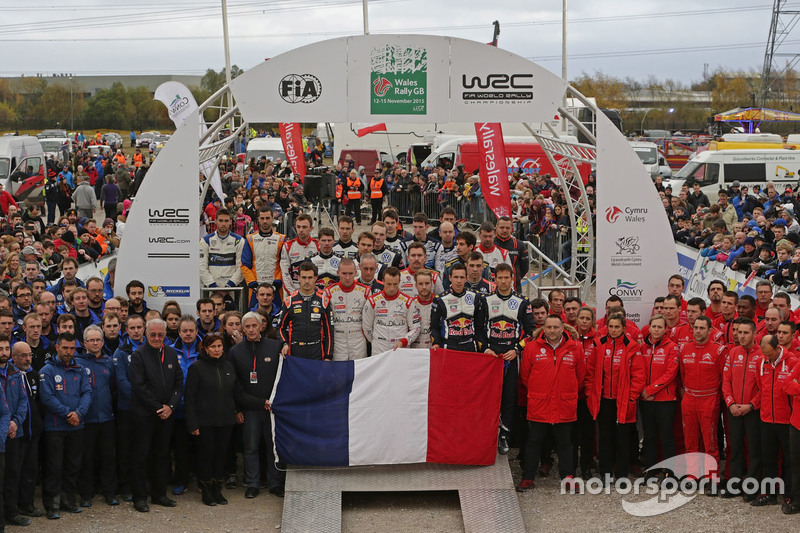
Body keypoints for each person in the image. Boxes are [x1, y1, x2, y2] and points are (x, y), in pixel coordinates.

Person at [516, 315, 584, 493]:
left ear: (563, 328)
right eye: (549, 327)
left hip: (564, 404)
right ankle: (528, 477)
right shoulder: (531, 347)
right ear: (543, 329)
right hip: (539, 404)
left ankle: (568, 477)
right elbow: (525, 376)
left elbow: (580, 377)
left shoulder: (575, 348)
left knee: (565, 443)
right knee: (534, 442)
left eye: (556, 327)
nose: (552, 331)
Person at [128, 319, 183, 513]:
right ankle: (140, 497)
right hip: (144, 415)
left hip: (166, 415)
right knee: (141, 456)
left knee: (162, 455)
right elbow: (138, 386)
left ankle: (159, 494)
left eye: (161, 335)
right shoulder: (138, 355)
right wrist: (158, 408)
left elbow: (178, 384)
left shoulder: (171, 353)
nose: (157, 338)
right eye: (153, 334)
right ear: (146, 333)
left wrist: (170, 406)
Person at [229, 313, 285, 499]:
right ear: (243, 329)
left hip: (273, 409)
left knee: (273, 446)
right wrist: (237, 409)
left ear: (261, 326)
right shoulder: (235, 352)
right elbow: (234, 384)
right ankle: (252, 483)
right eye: (247, 326)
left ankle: (275, 483)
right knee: (251, 447)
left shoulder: (275, 346)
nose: (251, 330)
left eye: (255, 326)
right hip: (249, 408)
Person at [586, 313, 645, 481]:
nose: (613, 330)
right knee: (604, 437)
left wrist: (631, 397)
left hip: (623, 401)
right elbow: (590, 372)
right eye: (610, 326)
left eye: (617, 327)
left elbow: (638, 376)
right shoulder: (598, 344)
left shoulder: (632, 347)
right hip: (603, 400)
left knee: (622, 438)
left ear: (624, 328)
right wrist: (591, 393)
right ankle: (605, 473)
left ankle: (621, 475)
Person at [483, 263, 534, 455]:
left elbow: (530, 333)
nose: (503, 281)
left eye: (507, 278)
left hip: (510, 357)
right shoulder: (485, 300)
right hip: (489, 359)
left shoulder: (522, 302)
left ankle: (504, 434)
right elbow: (479, 329)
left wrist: (517, 349)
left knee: (509, 398)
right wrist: (486, 348)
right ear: (494, 278)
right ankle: (487, 433)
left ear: (513, 279)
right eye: (500, 278)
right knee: (488, 397)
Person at [39, 333, 91, 519]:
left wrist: (79, 414)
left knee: (73, 465)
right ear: (57, 348)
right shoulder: (47, 370)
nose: (69, 352)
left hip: (77, 426)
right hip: (55, 428)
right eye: (65, 348)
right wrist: (67, 414)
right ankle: (52, 505)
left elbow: (87, 393)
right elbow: (47, 398)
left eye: (72, 348)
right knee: (54, 467)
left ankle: (68, 501)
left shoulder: (81, 369)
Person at [184, 334, 238, 506]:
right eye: (213, 346)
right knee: (206, 456)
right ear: (206, 348)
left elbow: (235, 393)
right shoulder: (197, 368)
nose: (217, 350)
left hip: (225, 421)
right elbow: (190, 398)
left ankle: (217, 488)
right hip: (205, 421)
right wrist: (192, 423)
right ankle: (206, 489)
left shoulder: (228, 366)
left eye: (219, 346)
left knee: (221, 456)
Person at [678, 316, 727, 479]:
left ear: (709, 330)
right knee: (690, 439)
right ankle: (692, 474)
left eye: (702, 328)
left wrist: (716, 399)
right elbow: (683, 375)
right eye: (695, 328)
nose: (698, 331)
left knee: (710, 440)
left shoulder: (718, 350)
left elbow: (723, 378)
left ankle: (712, 476)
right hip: (690, 398)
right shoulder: (685, 349)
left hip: (709, 398)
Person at [76, 326, 117, 507]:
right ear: (85, 343)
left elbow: (114, 386)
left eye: (98, 340)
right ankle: (86, 493)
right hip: (87, 419)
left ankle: (109, 492)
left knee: (108, 457)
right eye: (91, 340)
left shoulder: (108, 362)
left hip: (107, 418)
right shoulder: (77, 363)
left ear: (102, 341)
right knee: (87, 458)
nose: (95, 343)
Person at [753, 334, 796, 509]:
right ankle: (769, 493)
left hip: (787, 420)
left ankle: (789, 495)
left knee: (789, 459)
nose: (767, 358)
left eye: (770, 354)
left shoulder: (792, 362)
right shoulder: (760, 362)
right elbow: (761, 387)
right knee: (768, 457)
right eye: (764, 354)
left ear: (778, 347)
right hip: (766, 418)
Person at [721, 318, 762, 500]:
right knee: (735, 447)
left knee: (754, 449)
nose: (741, 336)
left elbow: (765, 387)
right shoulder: (733, 352)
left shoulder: (762, 354)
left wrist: (751, 405)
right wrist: (730, 403)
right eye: (739, 332)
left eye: (746, 332)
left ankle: (752, 487)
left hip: (753, 411)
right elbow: (726, 380)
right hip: (734, 410)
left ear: (754, 334)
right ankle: (734, 484)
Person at [639, 314, 679, 473]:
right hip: (646, 400)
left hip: (665, 400)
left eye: (659, 327)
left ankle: (670, 472)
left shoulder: (672, 347)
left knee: (666, 437)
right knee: (649, 437)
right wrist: (643, 391)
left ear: (665, 329)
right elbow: (638, 371)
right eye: (654, 326)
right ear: (649, 328)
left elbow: (670, 374)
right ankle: (651, 470)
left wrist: (649, 390)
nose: (656, 330)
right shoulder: (642, 347)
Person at [10, 342, 43, 519]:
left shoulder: (35, 375)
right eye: (23, 355)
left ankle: (27, 504)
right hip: (16, 434)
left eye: (29, 354)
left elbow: (38, 403)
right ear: (13, 356)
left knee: (31, 470)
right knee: (15, 472)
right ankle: (12, 508)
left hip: (33, 433)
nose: (27, 359)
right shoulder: (10, 376)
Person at [0, 334, 28, 527]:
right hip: (0, 434)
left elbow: (22, 401)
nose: (3, 353)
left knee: (12, 474)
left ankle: (11, 512)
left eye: (6, 349)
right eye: (0, 349)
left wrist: (15, 422)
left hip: (13, 432)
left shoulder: (15, 372)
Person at [278, 261, 332, 360]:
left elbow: (329, 332)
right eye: (303, 277)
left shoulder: (323, 301)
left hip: (316, 352)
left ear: (315, 278)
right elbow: (280, 327)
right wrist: (284, 343)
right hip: (295, 352)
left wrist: (328, 356)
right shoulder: (289, 301)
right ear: (298, 278)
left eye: (310, 278)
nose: (307, 281)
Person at [362, 266, 420, 356]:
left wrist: (404, 342)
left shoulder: (408, 302)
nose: (392, 288)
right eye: (389, 284)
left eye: (395, 284)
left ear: (399, 282)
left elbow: (416, 328)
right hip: (379, 346)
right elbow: (366, 327)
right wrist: (376, 340)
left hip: (400, 347)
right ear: (383, 281)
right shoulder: (372, 301)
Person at [430, 263, 487, 352]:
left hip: (470, 346)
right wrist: (436, 343)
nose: (459, 281)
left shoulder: (476, 296)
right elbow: (434, 326)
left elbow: (479, 326)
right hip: (449, 346)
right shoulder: (440, 299)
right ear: (450, 278)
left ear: (466, 278)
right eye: (456, 277)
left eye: (462, 277)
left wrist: (484, 348)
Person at [324, 258, 369, 361]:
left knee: (359, 373)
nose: (347, 277)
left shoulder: (365, 292)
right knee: (338, 374)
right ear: (338, 273)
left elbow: (369, 320)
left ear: (355, 273)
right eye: (344, 273)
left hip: (358, 341)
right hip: (338, 341)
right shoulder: (329, 292)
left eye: (350, 273)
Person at [241, 207, 285, 308]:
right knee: (255, 318)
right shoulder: (250, 239)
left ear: (272, 218)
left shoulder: (281, 239)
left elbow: (284, 264)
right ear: (258, 219)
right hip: (256, 288)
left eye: (267, 218)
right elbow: (244, 265)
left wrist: (277, 283)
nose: (265, 221)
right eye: (262, 218)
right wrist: (253, 284)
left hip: (276, 288)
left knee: (276, 317)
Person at [199, 208, 245, 290]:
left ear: (230, 221)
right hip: (211, 289)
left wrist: (229, 286)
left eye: (226, 221)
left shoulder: (239, 241)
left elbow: (241, 267)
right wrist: (213, 286)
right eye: (220, 220)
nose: (223, 224)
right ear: (215, 221)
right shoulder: (206, 241)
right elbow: (202, 267)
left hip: (232, 288)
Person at [279, 214, 319, 295]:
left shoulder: (318, 245)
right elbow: (285, 273)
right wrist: (293, 293)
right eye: (298, 227)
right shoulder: (288, 246)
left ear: (311, 228)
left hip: (313, 292)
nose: (301, 230)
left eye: (304, 227)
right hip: (293, 291)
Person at [495, 216, 529, 292]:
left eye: (507, 228)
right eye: (502, 227)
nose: (504, 230)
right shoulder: (491, 244)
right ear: (496, 227)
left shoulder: (519, 245)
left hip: (515, 288)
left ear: (511, 228)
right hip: (494, 288)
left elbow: (525, 267)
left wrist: (515, 277)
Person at [409, 270, 434, 349]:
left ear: (431, 284)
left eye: (427, 283)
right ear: (416, 285)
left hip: (435, 349)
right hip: (415, 350)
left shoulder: (440, 303)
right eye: (420, 284)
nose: (424, 287)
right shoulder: (410, 304)